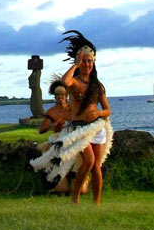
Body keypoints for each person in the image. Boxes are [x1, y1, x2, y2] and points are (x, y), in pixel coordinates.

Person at [31, 30, 113, 205]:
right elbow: (64, 82)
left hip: (96, 127)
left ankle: (97, 202)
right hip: (79, 129)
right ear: (79, 61)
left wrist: (98, 113)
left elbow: (107, 110)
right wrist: (76, 64)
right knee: (89, 162)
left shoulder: (97, 86)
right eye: (84, 61)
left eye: (90, 61)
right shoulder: (74, 82)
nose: (87, 64)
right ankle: (75, 198)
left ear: (94, 63)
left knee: (97, 167)